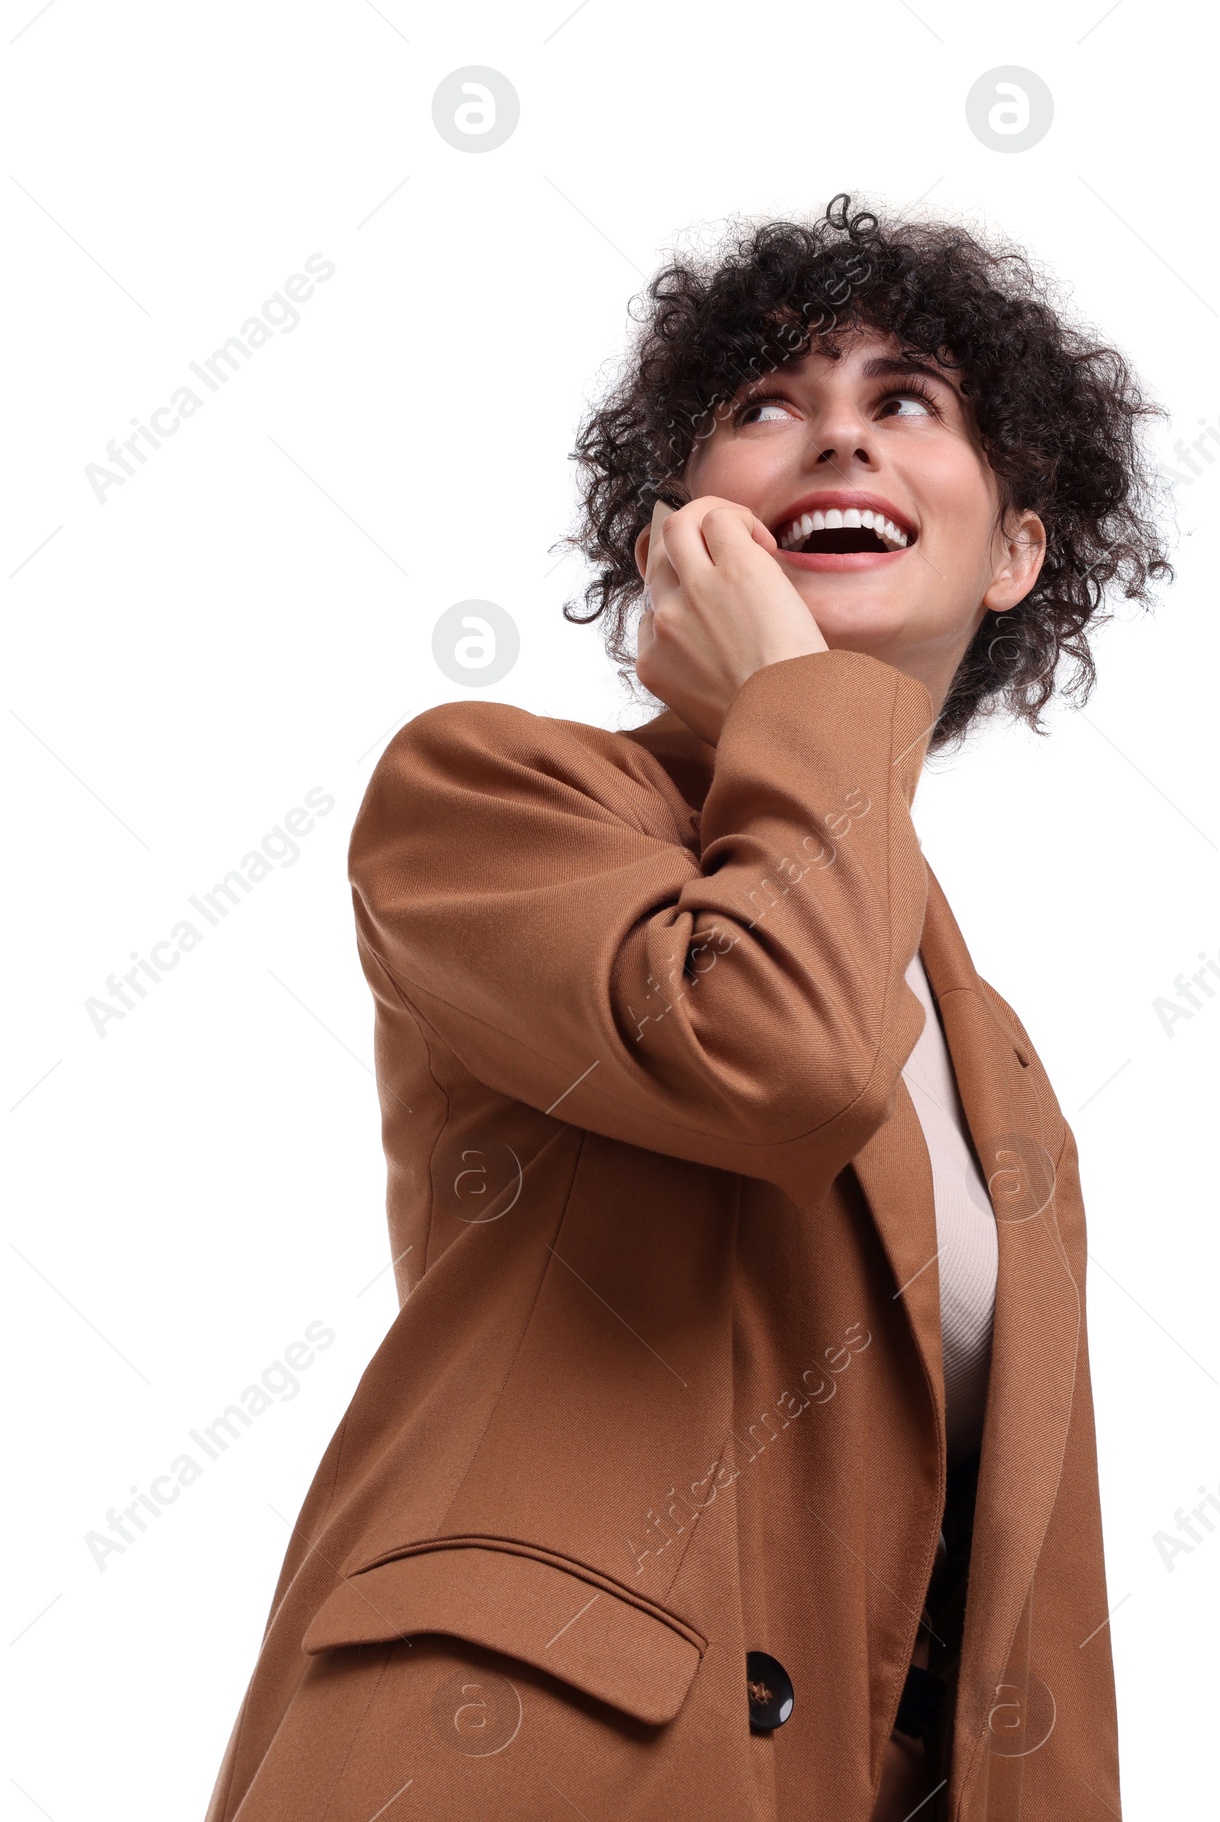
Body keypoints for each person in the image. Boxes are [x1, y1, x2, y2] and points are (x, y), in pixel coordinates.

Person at [203, 193, 1171, 1822]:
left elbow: (1024, 1612)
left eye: (907, 403)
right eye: (765, 409)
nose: (837, 443)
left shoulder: (1003, 1070)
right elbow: (772, 1061)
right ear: (676, 533)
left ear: (1019, 550)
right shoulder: (495, 797)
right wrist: (800, 695)